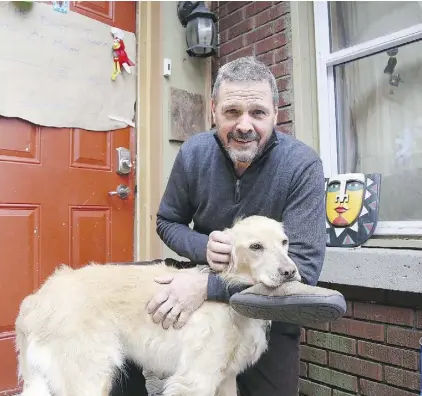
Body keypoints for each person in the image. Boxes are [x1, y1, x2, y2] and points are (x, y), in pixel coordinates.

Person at [110, 56, 326, 396]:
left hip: (268, 306)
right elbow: (168, 221)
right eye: (231, 112)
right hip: (203, 284)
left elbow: (305, 270)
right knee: (117, 299)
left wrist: (205, 286)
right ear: (213, 111)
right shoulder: (194, 153)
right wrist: (202, 247)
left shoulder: (302, 165)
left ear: (275, 112)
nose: (244, 125)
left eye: (257, 113)